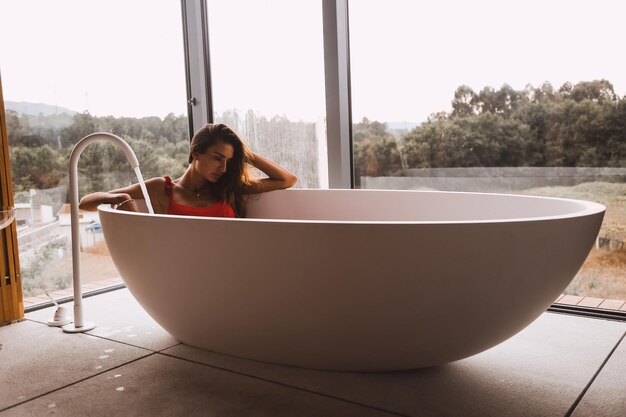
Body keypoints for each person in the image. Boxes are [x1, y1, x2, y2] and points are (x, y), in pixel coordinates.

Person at [79, 123, 297, 217]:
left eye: (229, 161)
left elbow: (287, 180)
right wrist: (120, 197)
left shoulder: (228, 188)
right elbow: (85, 202)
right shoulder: (161, 189)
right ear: (196, 153)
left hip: (231, 267)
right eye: (217, 158)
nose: (223, 168)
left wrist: (243, 153)